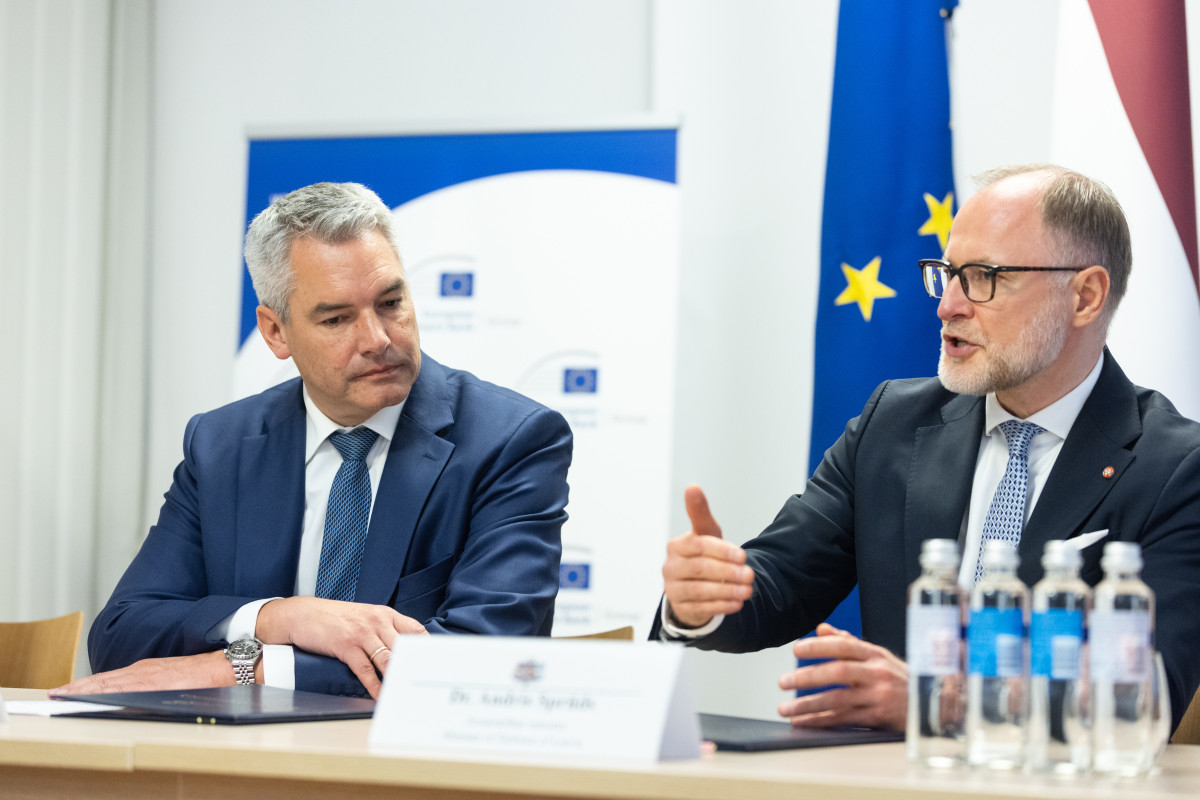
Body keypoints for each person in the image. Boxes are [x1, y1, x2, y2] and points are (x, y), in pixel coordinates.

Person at [655, 164, 1200, 734]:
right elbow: (781, 583)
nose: (948, 306)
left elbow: (1143, 700)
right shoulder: (892, 423)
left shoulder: (1175, 470)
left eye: (985, 277)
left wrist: (941, 700)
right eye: (948, 274)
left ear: (1085, 296)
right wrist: (707, 596)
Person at [55, 182, 572, 699]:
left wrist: (246, 669)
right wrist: (278, 618)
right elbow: (122, 636)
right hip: (245, 748)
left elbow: (487, 657)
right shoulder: (222, 447)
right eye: (337, 318)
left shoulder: (510, 440)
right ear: (275, 332)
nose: (378, 339)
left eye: (391, 303)